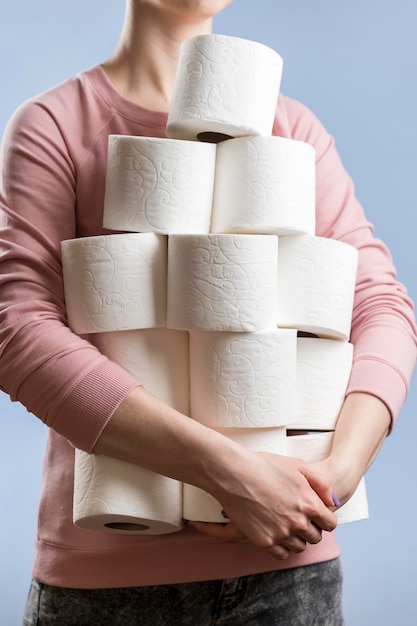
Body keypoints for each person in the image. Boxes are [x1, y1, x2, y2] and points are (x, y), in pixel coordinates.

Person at [0, 1, 416, 624]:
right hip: (107, 579)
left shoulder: (293, 132)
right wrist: (226, 473)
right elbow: (17, 330)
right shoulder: (55, 124)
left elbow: (379, 302)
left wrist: (338, 471)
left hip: (287, 571)